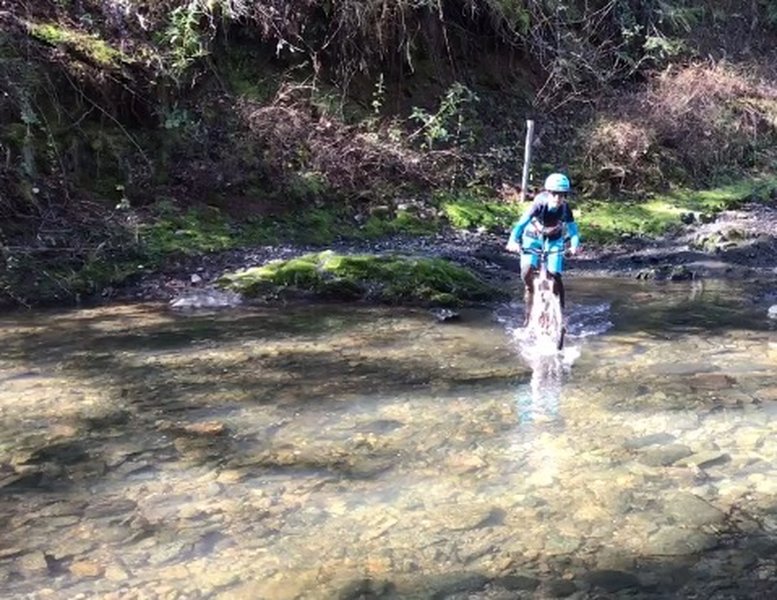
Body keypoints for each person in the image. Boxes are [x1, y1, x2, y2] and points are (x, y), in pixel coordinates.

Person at [505, 173, 581, 326]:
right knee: (527, 270)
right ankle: (528, 311)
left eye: (561, 195)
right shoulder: (539, 204)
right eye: (554, 194)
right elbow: (520, 225)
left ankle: (560, 312)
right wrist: (512, 241)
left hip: (554, 240)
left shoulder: (566, 209)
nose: (558, 198)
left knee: (555, 275)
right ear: (548, 192)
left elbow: (573, 231)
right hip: (532, 238)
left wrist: (574, 246)